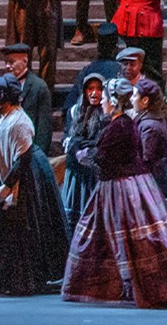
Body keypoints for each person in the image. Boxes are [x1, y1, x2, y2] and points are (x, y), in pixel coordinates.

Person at [61, 76, 167, 307]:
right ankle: (116, 286)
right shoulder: (120, 123)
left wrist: (80, 154)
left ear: (113, 101)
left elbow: (103, 158)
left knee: (132, 239)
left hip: (122, 187)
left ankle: (146, 286)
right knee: (108, 238)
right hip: (118, 185)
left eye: (104, 97)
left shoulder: (121, 126)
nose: (101, 101)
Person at [0, 75, 69, 296]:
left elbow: (22, 157)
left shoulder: (19, 122)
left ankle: (25, 281)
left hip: (26, 176)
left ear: (3, 99)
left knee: (23, 229)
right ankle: (10, 280)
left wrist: (8, 184)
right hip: (8, 171)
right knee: (5, 230)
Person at [61, 71, 108, 225]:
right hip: (76, 170)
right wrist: (74, 146)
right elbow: (67, 136)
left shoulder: (106, 113)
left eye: (98, 89)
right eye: (90, 88)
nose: (94, 93)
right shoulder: (75, 110)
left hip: (94, 171)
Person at [0, 44, 53, 155]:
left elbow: (44, 129)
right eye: (6, 62)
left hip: (29, 149)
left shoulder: (39, 87)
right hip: (7, 148)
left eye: (11, 62)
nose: (7, 66)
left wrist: (37, 156)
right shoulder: (2, 85)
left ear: (25, 61)